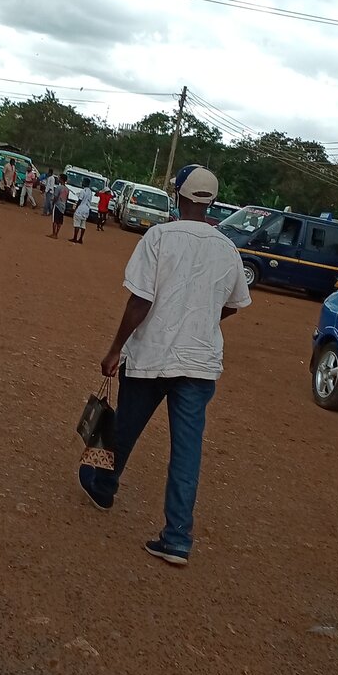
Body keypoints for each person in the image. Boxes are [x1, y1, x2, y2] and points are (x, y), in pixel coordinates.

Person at [79, 165, 250, 566]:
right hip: (199, 361)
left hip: (152, 356)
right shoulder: (228, 249)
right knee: (187, 450)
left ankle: (103, 485)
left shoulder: (159, 237)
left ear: (179, 195)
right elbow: (233, 303)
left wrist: (115, 348)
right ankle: (177, 538)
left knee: (125, 427)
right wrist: (202, 319)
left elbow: (140, 300)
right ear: (210, 200)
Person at [69, 178, 93, 244]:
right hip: (86, 209)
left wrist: (75, 208)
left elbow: (80, 200)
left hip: (80, 208)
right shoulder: (90, 192)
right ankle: (80, 239)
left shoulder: (83, 191)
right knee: (83, 225)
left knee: (77, 224)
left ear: (85, 183)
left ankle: (75, 238)